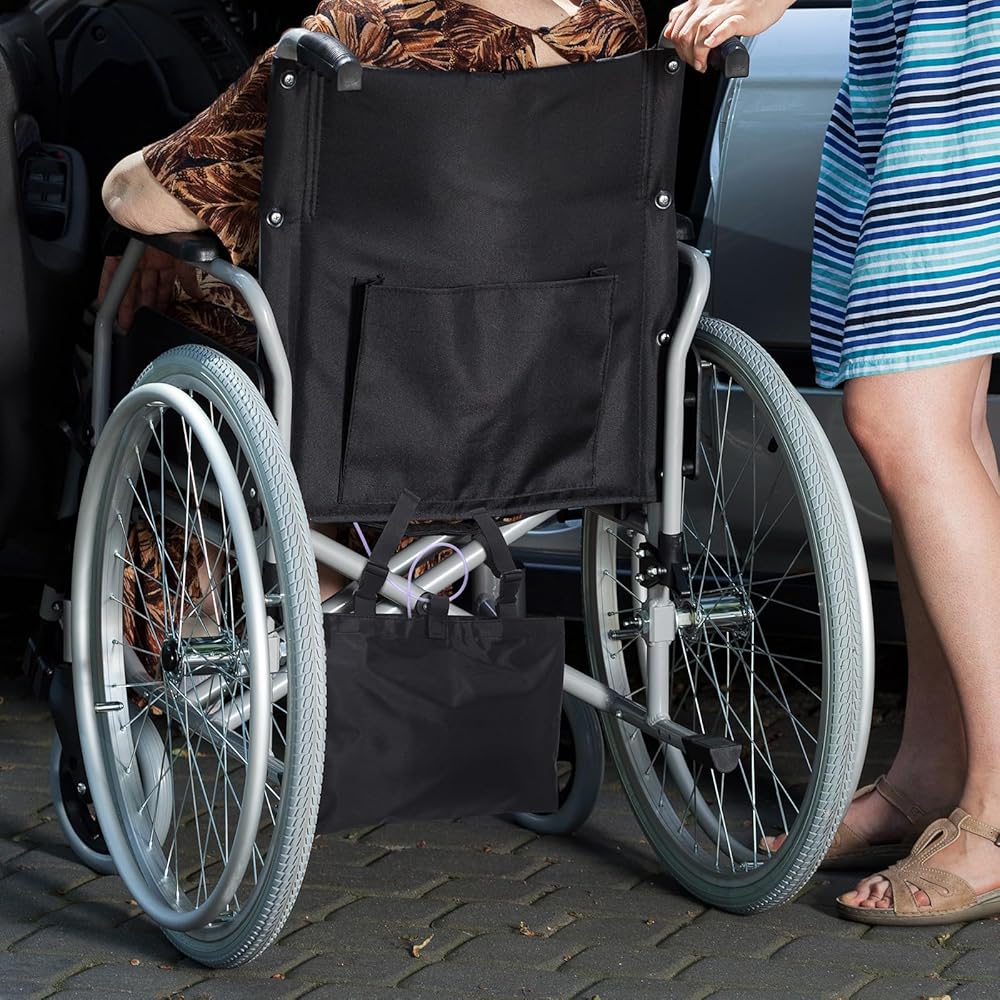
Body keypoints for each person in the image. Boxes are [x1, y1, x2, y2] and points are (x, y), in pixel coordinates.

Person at [98, 0, 648, 659]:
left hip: (369, 415)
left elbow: (136, 196)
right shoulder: (616, 31)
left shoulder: (355, 37)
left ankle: (196, 613)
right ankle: (368, 591)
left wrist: (154, 232)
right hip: (552, 406)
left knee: (158, 290)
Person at [666, 0, 1000, 924]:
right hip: (911, 57)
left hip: (969, 61)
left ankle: (997, 808)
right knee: (944, 426)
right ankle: (930, 774)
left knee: (904, 418)